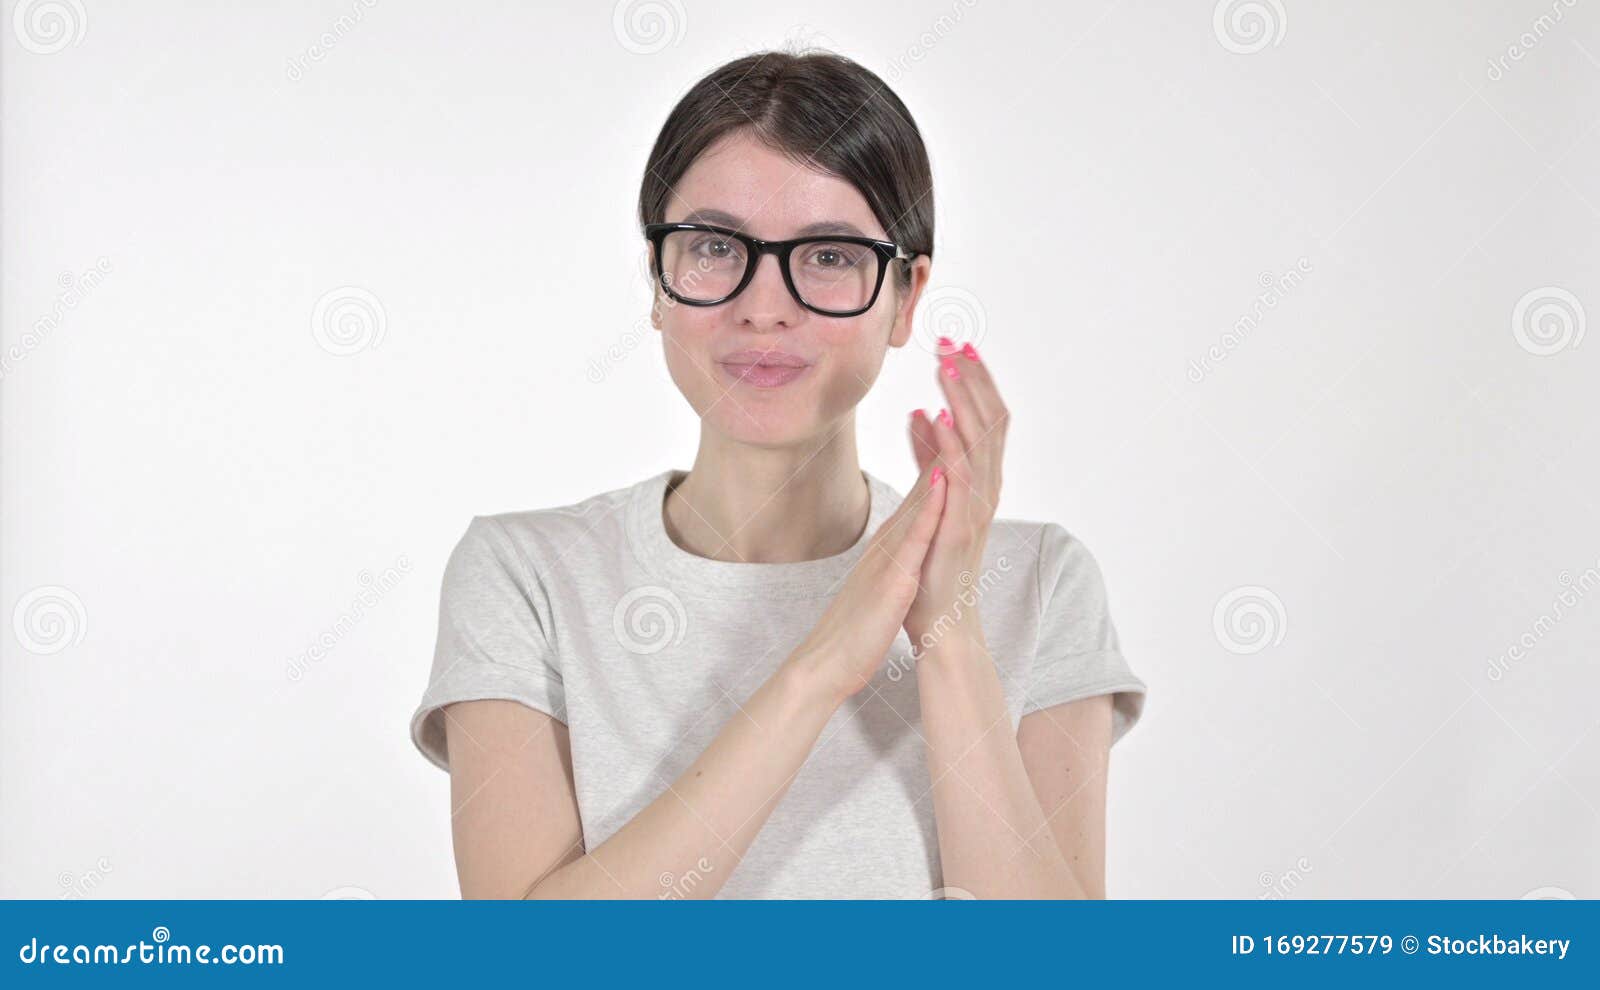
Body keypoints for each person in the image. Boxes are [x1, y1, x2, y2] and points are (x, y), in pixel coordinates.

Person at [409, 49, 1147, 899]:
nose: (765, 306)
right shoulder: (525, 575)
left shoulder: (1040, 584)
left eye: (830, 255)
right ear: (657, 282)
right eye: (717, 247)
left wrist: (949, 637)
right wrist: (822, 664)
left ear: (906, 297)